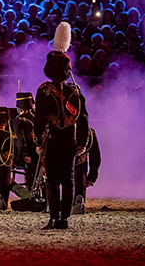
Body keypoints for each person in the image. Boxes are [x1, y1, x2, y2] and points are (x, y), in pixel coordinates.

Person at [35, 23, 89, 230]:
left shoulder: (43, 90)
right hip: (69, 140)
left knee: (51, 180)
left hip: (51, 140)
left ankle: (54, 217)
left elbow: (39, 118)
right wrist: (82, 142)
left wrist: (37, 141)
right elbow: (83, 118)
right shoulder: (75, 92)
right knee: (67, 180)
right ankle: (64, 218)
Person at [0, 107, 31, 210]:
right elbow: (18, 155)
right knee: (6, 175)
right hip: (5, 171)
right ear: (6, 122)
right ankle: (8, 193)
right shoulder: (12, 138)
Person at [72, 127, 101, 214]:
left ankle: (79, 201)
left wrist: (92, 176)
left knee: (80, 179)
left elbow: (95, 156)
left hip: (79, 162)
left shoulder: (88, 132)